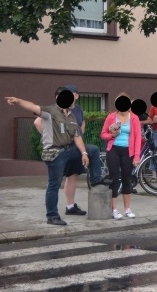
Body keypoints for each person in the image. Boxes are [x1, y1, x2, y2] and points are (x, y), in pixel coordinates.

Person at [6, 90, 95, 225]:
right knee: (54, 185)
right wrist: (18, 101)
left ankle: (97, 180)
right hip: (54, 153)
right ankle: (52, 216)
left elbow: (77, 137)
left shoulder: (71, 116)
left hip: (68, 150)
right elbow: (33, 107)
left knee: (92, 150)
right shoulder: (50, 111)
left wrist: (83, 153)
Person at [33, 85, 107, 216]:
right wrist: (52, 137)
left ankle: (71, 206)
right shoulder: (53, 109)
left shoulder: (76, 110)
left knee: (73, 175)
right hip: (60, 150)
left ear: (76, 96)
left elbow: (81, 124)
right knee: (54, 183)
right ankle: (52, 215)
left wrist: (79, 136)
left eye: (72, 94)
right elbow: (37, 122)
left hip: (74, 148)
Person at [101, 94, 142, 219]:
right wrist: (112, 135)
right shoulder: (111, 117)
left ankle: (127, 209)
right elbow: (103, 134)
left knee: (127, 179)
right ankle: (114, 209)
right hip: (113, 150)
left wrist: (136, 156)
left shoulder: (134, 118)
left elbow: (138, 138)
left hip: (127, 151)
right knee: (114, 179)